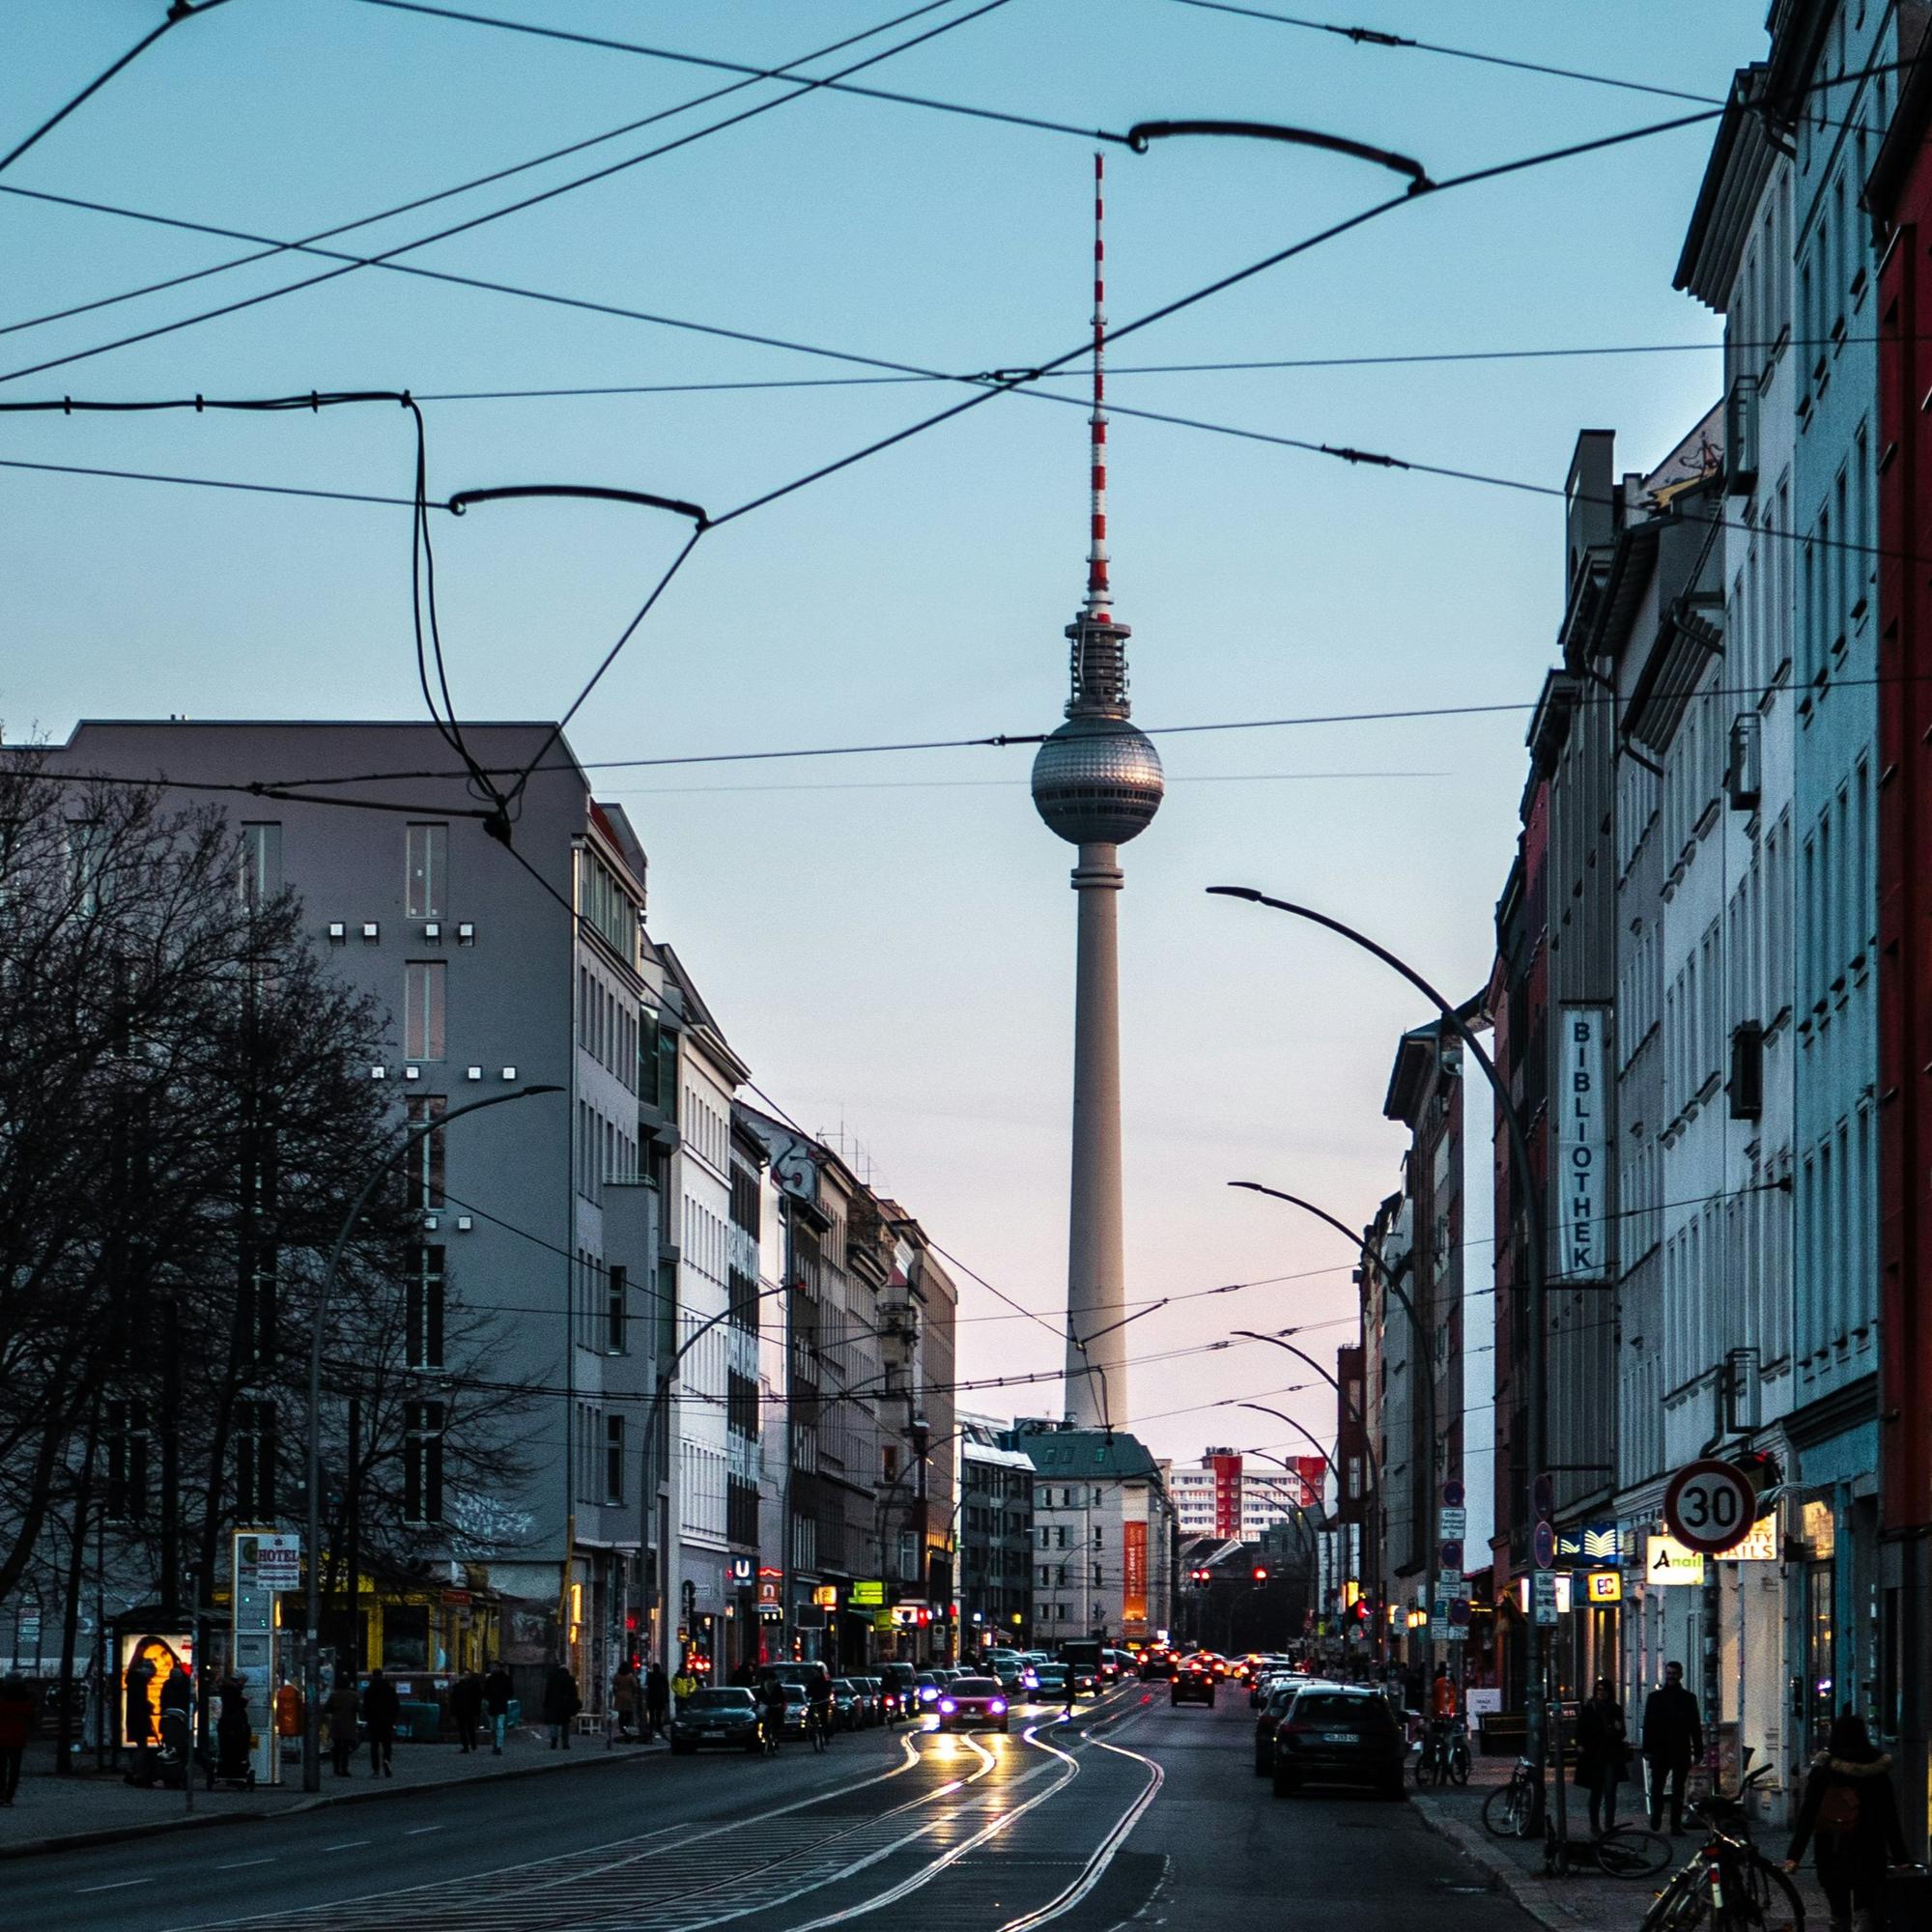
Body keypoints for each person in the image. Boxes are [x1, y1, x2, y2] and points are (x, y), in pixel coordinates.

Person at [1783, 1711, 1908, 1932]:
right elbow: (1890, 1816)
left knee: (1838, 1908)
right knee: (1866, 1904)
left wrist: (1794, 1855)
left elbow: (1808, 1814)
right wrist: (1900, 1856)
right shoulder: (1877, 1771)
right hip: (1870, 1846)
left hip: (1832, 1845)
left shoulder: (1824, 1770)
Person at [1641, 1661, 1703, 1834]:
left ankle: (1675, 1824)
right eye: (1669, 1673)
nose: (1671, 1676)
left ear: (1680, 1675)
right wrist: (1647, 1749)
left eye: (1674, 1673)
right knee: (1657, 1787)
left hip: (1680, 1748)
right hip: (1660, 1749)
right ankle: (1657, 1815)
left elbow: (1694, 1726)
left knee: (1678, 1790)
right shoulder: (1655, 1698)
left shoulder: (1689, 1699)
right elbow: (1648, 1724)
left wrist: (1698, 1750)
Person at [1576, 1678, 1631, 1835]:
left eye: (1604, 1690)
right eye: (1598, 1690)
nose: (1601, 1693)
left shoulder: (1615, 1709)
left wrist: (1618, 1729)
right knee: (1596, 1791)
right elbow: (1581, 1729)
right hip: (1594, 1755)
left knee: (1610, 1790)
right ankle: (1594, 1824)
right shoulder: (1589, 1709)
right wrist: (1580, 1744)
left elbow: (1622, 1732)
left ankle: (1609, 1823)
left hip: (1611, 1754)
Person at [124, 1652, 157, 1786]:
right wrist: (147, 1706)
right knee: (142, 1747)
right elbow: (140, 1701)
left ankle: (133, 1771)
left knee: (140, 1746)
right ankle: (137, 1772)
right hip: (140, 1719)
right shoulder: (140, 1682)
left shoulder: (134, 1680)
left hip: (134, 1718)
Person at [0, 1674, 35, 1806]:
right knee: (15, 1768)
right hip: (17, 1737)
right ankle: (9, 1795)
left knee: (1, 1767)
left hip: (1, 1737)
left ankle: (1, 1793)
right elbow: (30, 1718)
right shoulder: (26, 1699)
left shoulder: (2, 1698)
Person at [361, 1666, 400, 1776]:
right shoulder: (390, 1689)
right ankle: (387, 1760)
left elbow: (366, 1707)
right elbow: (396, 1706)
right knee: (387, 1744)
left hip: (374, 1722)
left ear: (373, 1676)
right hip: (387, 1722)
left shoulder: (369, 1690)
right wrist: (393, 1720)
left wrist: (368, 1719)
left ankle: (376, 1769)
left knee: (374, 1746)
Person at [215, 1676, 252, 1783]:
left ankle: (225, 1770)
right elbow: (239, 1703)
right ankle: (239, 1770)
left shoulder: (225, 1694)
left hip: (225, 1724)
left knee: (225, 1746)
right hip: (237, 1724)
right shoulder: (234, 1695)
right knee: (239, 1746)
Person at [327, 1675, 360, 1777]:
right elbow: (358, 1708)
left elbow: (328, 1708)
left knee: (336, 1747)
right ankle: (344, 1769)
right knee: (345, 1748)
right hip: (349, 1724)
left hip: (336, 1723)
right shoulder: (354, 1696)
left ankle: (336, 1769)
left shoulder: (334, 1695)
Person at [543, 1662, 581, 1749]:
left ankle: (554, 1742)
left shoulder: (552, 1679)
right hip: (565, 1706)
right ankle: (565, 1743)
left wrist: (546, 1704)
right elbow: (574, 1694)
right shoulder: (570, 1679)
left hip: (553, 1705)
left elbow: (547, 1692)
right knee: (565, 1725)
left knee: (554, 1724)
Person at [483, 1661, 513, 1755]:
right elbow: (485, 1692)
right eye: (493, 1667)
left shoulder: (505, 1679)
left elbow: (510, 1691)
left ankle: (498, 1746)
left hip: (500, 1706)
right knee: (493, 1728)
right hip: (493, 1706)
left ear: (500, 1668)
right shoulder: (490, 1679)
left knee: (499, 1727)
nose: (494, 1668)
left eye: (495, 1667)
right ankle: (495, 1745)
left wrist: (504, 1698)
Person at [449, 1669, 483, 1754]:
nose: (465, 1676)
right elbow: (453, 1699)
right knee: (463, 1729)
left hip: (470, 1710)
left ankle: (472, 1744)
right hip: (461, 1711)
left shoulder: (474, 1685)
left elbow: (478, 1698)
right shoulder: (458, 1686)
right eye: (464, 1674)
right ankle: (466, 1746)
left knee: (470, 1728)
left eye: (467, 1674)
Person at [758, 1674, 788, 1755]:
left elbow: (759, 1695)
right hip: (775, 1707)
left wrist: (757, 1704)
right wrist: (782, 1704)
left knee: (763, 1720)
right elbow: (782, 1697)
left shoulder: (764, 1684)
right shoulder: (777, 1685)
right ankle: (775, 1739)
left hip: (766, 1706)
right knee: (777, 1724)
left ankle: (764, 1735)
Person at [610, 1662, 639, 1744]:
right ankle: (626, 1727)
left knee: (621, 1713)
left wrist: (616, 1693)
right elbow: (634, 1686)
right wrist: (635, 1693)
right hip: (628, 1696)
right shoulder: (630, 1676)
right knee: (628, 1713)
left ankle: (622, 1727)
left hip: (619, 1696)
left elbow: (614, 1685)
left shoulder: (617, 1675)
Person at [644, 1661, 669, 1742]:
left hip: (652, 1698)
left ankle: (652, 1728)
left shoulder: (650, 1676)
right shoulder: (662, 1676)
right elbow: (666, 1687)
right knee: (658, 1715)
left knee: (652, 1715)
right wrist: (666, 1698)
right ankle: (658, 1728)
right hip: (659, 1698)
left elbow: (647, 1685)